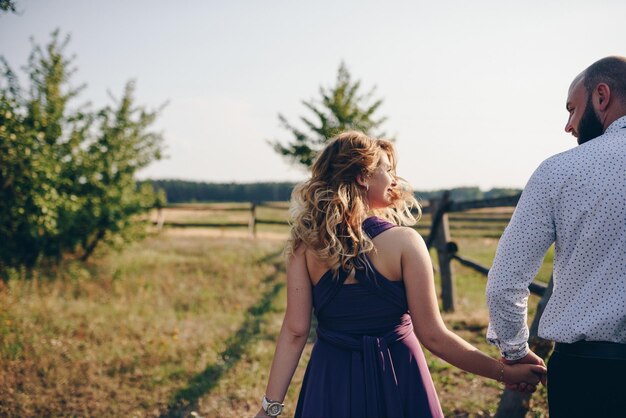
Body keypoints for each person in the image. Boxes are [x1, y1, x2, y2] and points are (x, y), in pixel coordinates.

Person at [256, 131, 545, 418]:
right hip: (399, 373)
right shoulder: (406, 243)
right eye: (387, 169)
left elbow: (295, 332)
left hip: (331, 378)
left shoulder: (306, 246)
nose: (394, 179)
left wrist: (269, 410)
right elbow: (433, 336)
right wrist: (502, 372)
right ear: (363, 177)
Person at [486, 56, 626, 418]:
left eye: (572, 109)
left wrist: (516, 354)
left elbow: (504, 283)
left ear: (601, 95)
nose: (569, 125)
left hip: (592, 376)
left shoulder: (560, 172)